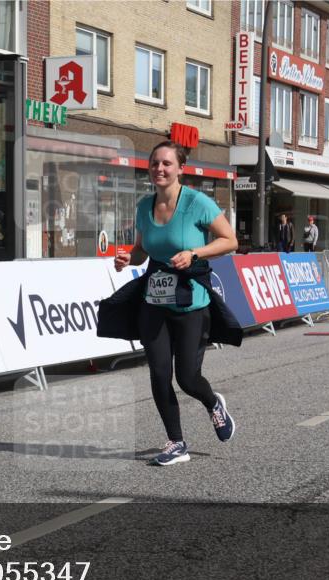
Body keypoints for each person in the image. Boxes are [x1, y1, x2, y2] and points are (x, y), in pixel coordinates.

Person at [114, 140, 237, 466]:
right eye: (155, 163)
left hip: (190, 301)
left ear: (180, 168)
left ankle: (213, 403)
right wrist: (129, 257)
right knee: (158, 373)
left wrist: (195, 253)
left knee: (187, 378)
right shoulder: (144, 206)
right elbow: (142, 250)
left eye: (166, 163)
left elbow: (230, 240)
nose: (159, 169)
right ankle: (176, 442)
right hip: (154, 298)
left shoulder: (197, 203)